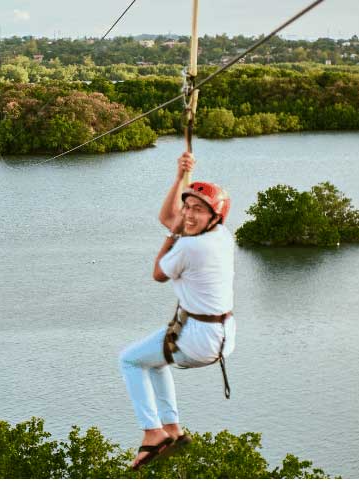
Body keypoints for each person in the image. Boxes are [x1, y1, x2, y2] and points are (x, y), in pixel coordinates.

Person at [119, 151, 236, 469]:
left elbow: (158, 272)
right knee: (153, 363)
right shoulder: (221, 235)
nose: (189, 214)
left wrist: (172, 234)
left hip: (197, 338)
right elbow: (170, 216)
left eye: (198, 209)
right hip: (219, 336)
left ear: (213, 216)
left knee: (129, 360)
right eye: (188, 207)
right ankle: (172, 428)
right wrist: (180, 176)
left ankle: (152, 432)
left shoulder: (190, 245)